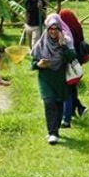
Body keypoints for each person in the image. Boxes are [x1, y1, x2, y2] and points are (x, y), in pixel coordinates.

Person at [31, 14, 76, 145]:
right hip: (45, 77)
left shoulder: (66, 40)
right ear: (47, 29)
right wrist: (38, 64)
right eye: (51, 28)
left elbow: (72, 57)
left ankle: (55, 129)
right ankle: (52, 133)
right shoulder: (42, 42)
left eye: (56, 28)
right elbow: (33, 63)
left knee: (58, 104)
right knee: (49, 102)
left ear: (60, 29)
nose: (53, 31)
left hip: (61, 78)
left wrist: (63, 46)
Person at [58, 8, 88, 127]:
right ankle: (77, 109)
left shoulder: (66, 33)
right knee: (72, 86)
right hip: (77, 61)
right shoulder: (77, 28)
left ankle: (77, 110)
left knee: (68, 88)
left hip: (70, 60)